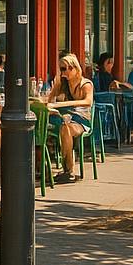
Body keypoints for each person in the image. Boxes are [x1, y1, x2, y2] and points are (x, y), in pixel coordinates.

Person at [43, 53, 93, 183]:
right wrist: (56, 85)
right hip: (64, 118)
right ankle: (42, 167)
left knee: (66, 129)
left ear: (74, 68)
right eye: (61, 69)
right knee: (42, 126)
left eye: (64, 69)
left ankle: (69, 171)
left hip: (81, 120)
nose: (62, 72)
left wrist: (62, 104)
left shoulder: (85, 84)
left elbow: (88, 101)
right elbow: (50, 99)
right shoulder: (63, 83)